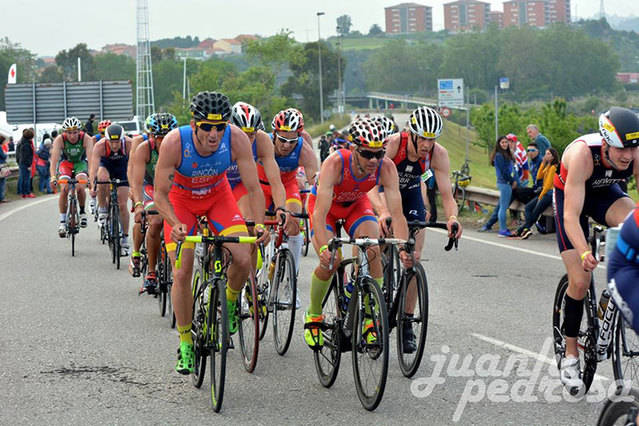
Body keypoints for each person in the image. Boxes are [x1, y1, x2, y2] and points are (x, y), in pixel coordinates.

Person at [153, 91, 268, 374]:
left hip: (218, 197)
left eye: (220, 126)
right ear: (194, 124)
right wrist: (174, 222)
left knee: (243, 256)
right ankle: (185, 342)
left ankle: (228, 301)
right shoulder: (175, 142)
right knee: (181, 271)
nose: (214, 134)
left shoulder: (237, 138)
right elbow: (159, 193)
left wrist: (261, 223)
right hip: (181, 202)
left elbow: (253, 188)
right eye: (207, 127)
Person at [304, 118, 413, 349]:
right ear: (353, 149)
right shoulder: (335, 164)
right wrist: (324, 249)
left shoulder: (386, 167)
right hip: (327, 210)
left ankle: (369, 320)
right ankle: (313, 315)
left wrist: (403, 247)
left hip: (355, 204)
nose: (374, 160)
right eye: (367, 154)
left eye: (379, 153)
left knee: (373, 249)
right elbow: (319, 215)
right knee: (332, 261)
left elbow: (398, 213)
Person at [554, 107, 639, 394]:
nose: (627, 156)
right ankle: (569, 355)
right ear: (605, 143)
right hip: (571, 201)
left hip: (606, 195)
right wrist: (582, 252)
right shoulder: (582, 155)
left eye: (632, 148)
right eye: (621, 149)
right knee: (580, 279)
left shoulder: (635, 155)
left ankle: (617, 292)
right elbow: (570, 216)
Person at [368, 108, 462, 351]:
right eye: (423, 138)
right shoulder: (392, 145)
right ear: (411, 134)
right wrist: (382, 212)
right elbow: (371, 185)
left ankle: (407, 321)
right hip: (383, 192)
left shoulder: (438, 155)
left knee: (413, 258)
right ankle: (372, 304)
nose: (427, 144)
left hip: (409, 195)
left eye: (432, 139)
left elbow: (448, 195)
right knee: (377, 247)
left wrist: (452, 217)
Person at [266, 109, 319, 276]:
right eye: (282, 139)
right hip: (264, 188)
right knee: (260, 227)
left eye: (292, 141)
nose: (287, 145)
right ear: (274, 133)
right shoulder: (264, 143)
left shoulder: (303, 148)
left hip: (288, 186)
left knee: (295, 222)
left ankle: (292, 278)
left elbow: (315, 180)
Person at [130, 112, 178, 293]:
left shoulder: (180, 148)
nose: (163, 141)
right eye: (159, 137)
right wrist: (138, 204)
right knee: (156, 222)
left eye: (168, 137)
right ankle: (151, 272)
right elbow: (136, 181)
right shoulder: (144, 149)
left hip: (173, 187)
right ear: (151, 136)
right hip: (150, 186)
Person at [89, 124, 133, 255]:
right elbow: (93, 168)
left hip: (122, 169)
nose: (114, 146)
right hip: (106, 166)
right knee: (101, 177)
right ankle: (102, 208)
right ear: (107, 140)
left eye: (117, 142)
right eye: (112, 142)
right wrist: (92, 186)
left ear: (122, 139)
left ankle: (125, 239)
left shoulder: (130, 144)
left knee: (122, 205)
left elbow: (134, 166)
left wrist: (133, 186)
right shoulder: (100, 146)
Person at [50, 117, 94, 236]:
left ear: (79, 131)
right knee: (64, 188)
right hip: (66, 164)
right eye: (69, 133)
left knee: (80, 187)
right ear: (65, 133)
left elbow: (91, 159)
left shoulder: (86, 138)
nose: (72, 136)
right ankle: (63, 221)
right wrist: (53, 177)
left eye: (75, 132)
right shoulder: (60, 139)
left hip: (81, 163)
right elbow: (54, 161)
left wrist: (91, 178)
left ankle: (83, 211)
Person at [515, 147, 559, 239]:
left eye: (548, 154)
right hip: (544, 192)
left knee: (535, 212)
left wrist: (540, 197)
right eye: (546, 154)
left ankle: (522, 230)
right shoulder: (548, 166)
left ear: (553, 156)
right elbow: (539, 176)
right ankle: (525, 229)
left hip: (549, 193)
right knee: (528, 207)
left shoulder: (553, 168)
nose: (546, 156)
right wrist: (543, 163)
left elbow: (547, 185)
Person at [479, 135, 517, 237]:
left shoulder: (505, 154)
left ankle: (493, 226)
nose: (505, 144)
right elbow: (504, 171)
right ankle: (503, 230)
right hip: (504, 183)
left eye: (506, 142)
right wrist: (512, 181)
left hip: (505, 183)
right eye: (502, 142)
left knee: (501, 206)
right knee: (503, 208)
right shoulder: (499, 155)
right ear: (499, 144)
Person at [16, 128, 36, 198]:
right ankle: (27, 192)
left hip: (22, 163)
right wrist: (29, 165)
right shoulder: (26, 144)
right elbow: (26, 156)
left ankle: (23, 192)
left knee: (23, 178)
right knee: (26, 178)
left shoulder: (22, 142)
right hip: (25, 164)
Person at [0, 134, 9, 203]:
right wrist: (5, 154)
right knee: (2, 182)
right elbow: (3, 156)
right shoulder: (0, 148)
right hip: (1, 166)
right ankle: (2, 197)